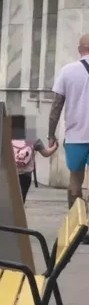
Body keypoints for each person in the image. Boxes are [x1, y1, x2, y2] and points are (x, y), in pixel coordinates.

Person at [48, 34, 89, 207]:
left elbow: (56, 106)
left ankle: (76, 224)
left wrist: (51, 134)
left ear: (79, 49)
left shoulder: (67, 71)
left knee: (75, 179)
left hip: (75, 137)